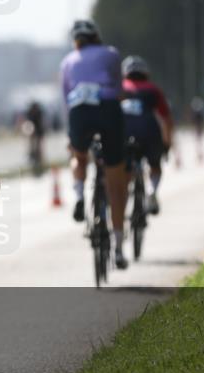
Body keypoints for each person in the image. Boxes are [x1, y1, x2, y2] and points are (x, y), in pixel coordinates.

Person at [60, 19, 129, 269]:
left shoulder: (67, 61)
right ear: (96, 37)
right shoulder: (111, 53)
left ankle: (79, 195)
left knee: (78, 156)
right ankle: (119, 247)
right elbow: (119, 90)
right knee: (116, 182)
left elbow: (66, 101)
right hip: (107, 109)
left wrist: (71, 135)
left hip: (79, 111)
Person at [121, 56, 173, 215]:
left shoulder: (120, 88)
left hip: (124, 133)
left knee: (121, 168)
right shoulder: (153, 89)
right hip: (149, 132)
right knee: (155, 165)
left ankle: (120, 198)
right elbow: (166, 119)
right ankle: (152, 191)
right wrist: (166, 144)